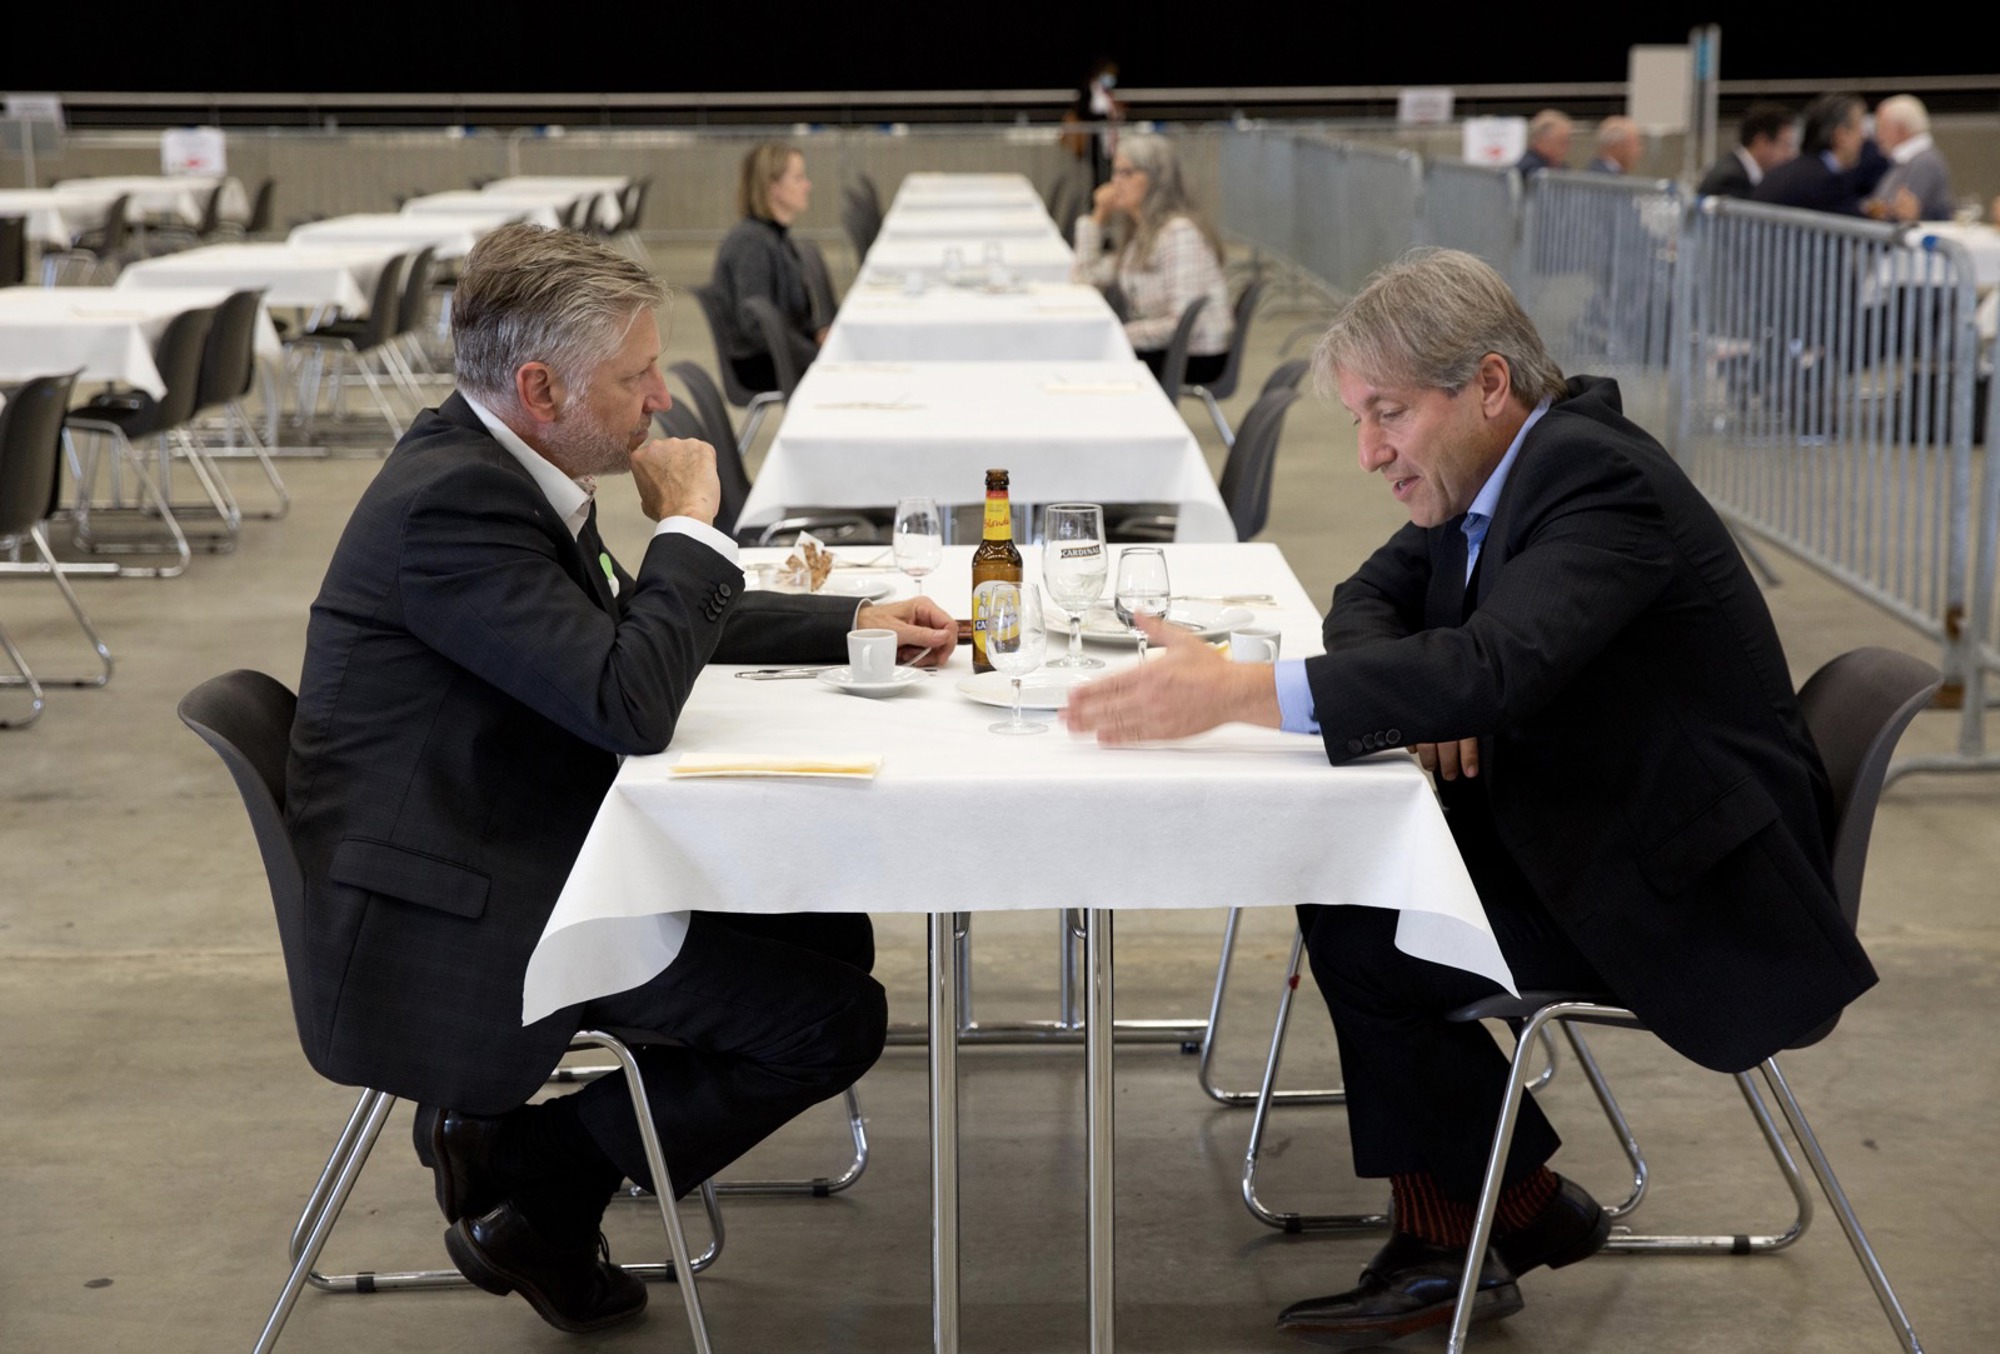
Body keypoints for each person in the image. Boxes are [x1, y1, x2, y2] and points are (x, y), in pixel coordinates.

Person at [1064, 248, 1877, 1347]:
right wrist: (1435, 689)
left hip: (1691, 894)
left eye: (1387, 414)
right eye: (1358, 420)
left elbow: (1496, 665)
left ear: (1488, 384)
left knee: (1371, 929)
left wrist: (1243, 693)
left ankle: (1477, 1225)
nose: (1369, 453)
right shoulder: (1499, 475)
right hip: (1597, 827)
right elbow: (1370, 593)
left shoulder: (1595, 483)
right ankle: (1505, 1208)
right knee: (1352, 885)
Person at [286, 223, 955, 1334]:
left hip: (499, 838)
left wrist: (853, 622)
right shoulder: (455, 507)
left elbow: (623, 624)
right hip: (453, 917)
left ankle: (518, 1152)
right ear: (540, 387)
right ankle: (540, 1171)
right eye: (635, 376)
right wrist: (688, 525)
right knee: (834, 1019)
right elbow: (625, 700)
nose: (660, 400)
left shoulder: (495, 465)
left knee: (827, 933)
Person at [1069, 133, 1232, 387]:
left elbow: (1184, 324)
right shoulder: (1142, 233)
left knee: (1087, 354)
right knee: (1082, 348)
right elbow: (1084, 278)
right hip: (1164, 346)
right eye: (1115, 172)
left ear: (1156, 179)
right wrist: (1098, 215)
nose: (1115, 182)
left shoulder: (1179, 233)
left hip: (1195, 353)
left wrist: (1120, 334)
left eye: (1126, 173)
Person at [708, 141, 823, 394]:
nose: (808, 185)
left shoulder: (774, 237)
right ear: (773, 187)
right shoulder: (752, 244)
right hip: (760, 362)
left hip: (780, 351)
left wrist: (815, 335)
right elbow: (757, 325)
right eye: (799, 178)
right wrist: (815, 352)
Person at [1754, 93, 1909, 220]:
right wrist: (1903, 217)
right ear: (1841, 135)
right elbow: (1859, 231)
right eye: (1858, 128)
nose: (1864, 138)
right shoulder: (1825, 182)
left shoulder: (1787, 172)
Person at [1868, 95, 1955, 222]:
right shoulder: (1904, 160)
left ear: (1901, 129)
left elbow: (1901, 213)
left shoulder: (1924, 162)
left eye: (1882, 128)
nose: (1878, 137)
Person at [1695, 101, 1796, 199]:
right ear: (1761, 142)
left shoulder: (1738, 170)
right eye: (1785, 145)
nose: (1790, 155)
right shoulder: (1732, 180)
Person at [1515, 110, 1572, 175]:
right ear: (1541, 141)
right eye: (1561, 142)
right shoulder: (1529, 170)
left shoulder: (1561, 168)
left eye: (1567, 142)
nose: (1567, 147)